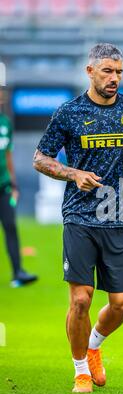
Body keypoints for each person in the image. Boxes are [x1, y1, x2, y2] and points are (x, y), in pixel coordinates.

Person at [33, 43, 123, 393]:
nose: (114, 78)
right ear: (90, 72)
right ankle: (81, 370)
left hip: (119, 214)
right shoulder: (69, 112)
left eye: (118, 72)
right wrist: (73, 174)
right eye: (107, 71)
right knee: (81, 299)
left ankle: (95, 345)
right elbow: (41, 158)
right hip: (80, 216)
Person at [0, 89, 38, 287]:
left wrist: (14, 183)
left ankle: (18, 273)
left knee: (10, 227)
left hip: (4, 186)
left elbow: (7, 156)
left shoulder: (5, 123)